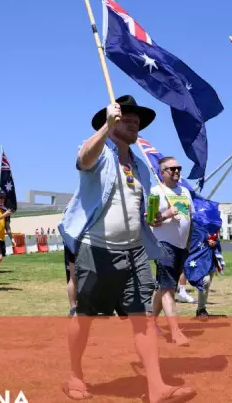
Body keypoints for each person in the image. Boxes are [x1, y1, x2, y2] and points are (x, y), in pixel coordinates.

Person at [57, 95, 195, 402]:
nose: (134, 124)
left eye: (137, 122)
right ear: (112, 121)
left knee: (143, 318)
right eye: (127, 120)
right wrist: (106, 128)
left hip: (135, 253)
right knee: (84, 315)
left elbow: (143, 211)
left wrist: (154, 218)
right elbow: (83, 159)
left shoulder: (141, 168)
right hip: (97, 250)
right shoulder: (99, 152)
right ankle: (75, 376)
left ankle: (157, 386)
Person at [150, 156, 194, 347]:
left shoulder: (184, 191)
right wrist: (167, 213)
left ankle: (149, 322)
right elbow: (150, 220)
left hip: (181, 246)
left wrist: (188, 243)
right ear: (162, 172)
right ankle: (175, 332)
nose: (176, 172)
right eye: (172, 169)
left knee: (164, 286)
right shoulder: (155, 192)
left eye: (179, 168)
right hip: (163, 244)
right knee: (168, 288)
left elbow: (189, 218)